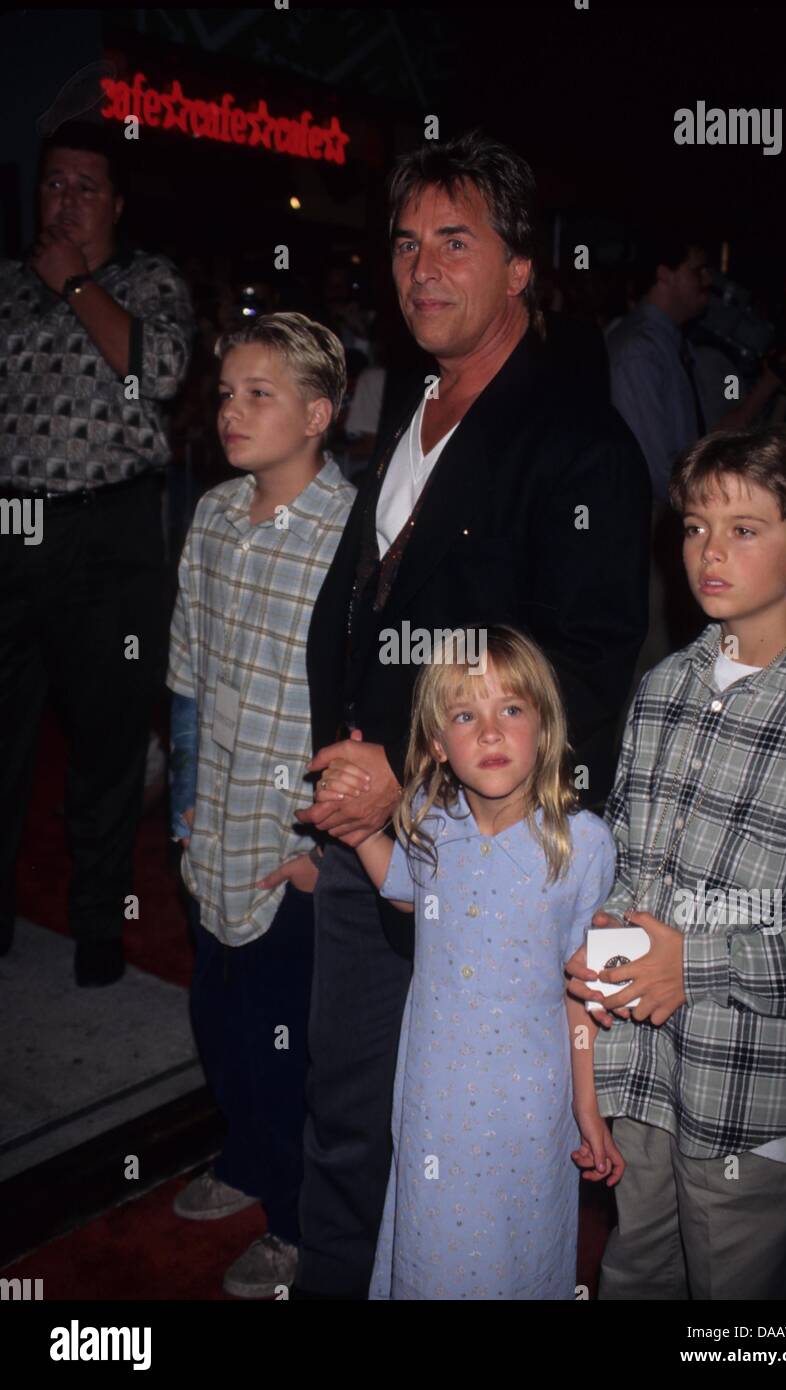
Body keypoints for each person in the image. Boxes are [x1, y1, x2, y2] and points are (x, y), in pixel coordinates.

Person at [266, 129, 651, 1300]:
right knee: (349, 1097)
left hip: (481, 855)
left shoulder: (578, 442)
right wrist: (345, 791)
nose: (420, 269)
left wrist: (416, 774)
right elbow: (369, 608)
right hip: (369, 829)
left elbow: (587, 669)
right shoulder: (413, 405)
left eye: (453, 242)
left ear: (521, 265)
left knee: (455, 1124)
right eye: (403, 244)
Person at [567, 424, 786, 1300]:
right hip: (645, 1074)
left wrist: (694, 965)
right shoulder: (662, 689)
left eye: (743, 529)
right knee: (636, 1269)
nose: (709, 550)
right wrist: (594, 993)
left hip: (758, 1095)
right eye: (695, 527)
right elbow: (629, 867)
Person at [318, 626, 621, 1299]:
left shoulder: (582, 845)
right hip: (433, 1092)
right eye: (464, 716)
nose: (489, 733)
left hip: (527, 1100)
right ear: (436, 744)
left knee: (514, 1251)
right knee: (431, 1244)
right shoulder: (429, 820)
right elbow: (407, 889)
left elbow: (584, 990)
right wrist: (360, 831)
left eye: (510, 709)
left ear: (544, 726)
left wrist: (588, 1108)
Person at [166, 313, 355, 1297]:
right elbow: (188, 672)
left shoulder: (354, 536)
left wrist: (335, 849)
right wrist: (185, 800)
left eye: (258, 394)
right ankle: (245, 1156)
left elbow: (373, 711)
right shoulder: (210, 516)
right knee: (219, 1012)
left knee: (292, 1040)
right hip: (218, 820)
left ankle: (295, 1222)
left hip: (298, 838)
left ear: (317, 415)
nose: (230, 411)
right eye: (225, 393)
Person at [0, 119, 193, 984]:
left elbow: (159, 373)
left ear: (116, 202)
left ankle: (99, 923)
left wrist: (75, 283)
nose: (67, 201)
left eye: (86, 187)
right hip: (13, 523)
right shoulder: (6, 287)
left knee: (108, 742)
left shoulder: (149, 281)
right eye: (54, 184)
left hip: (110, 532)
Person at [608, 231, 786, 671]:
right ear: (664, 275)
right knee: (654, 655)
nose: (707, 281)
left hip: (674, 521)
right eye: (696, 270)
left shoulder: (675, 346)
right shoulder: (638, 350)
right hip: (646, 527)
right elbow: (656, 469)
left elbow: (702, 442)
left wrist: (769, 385)